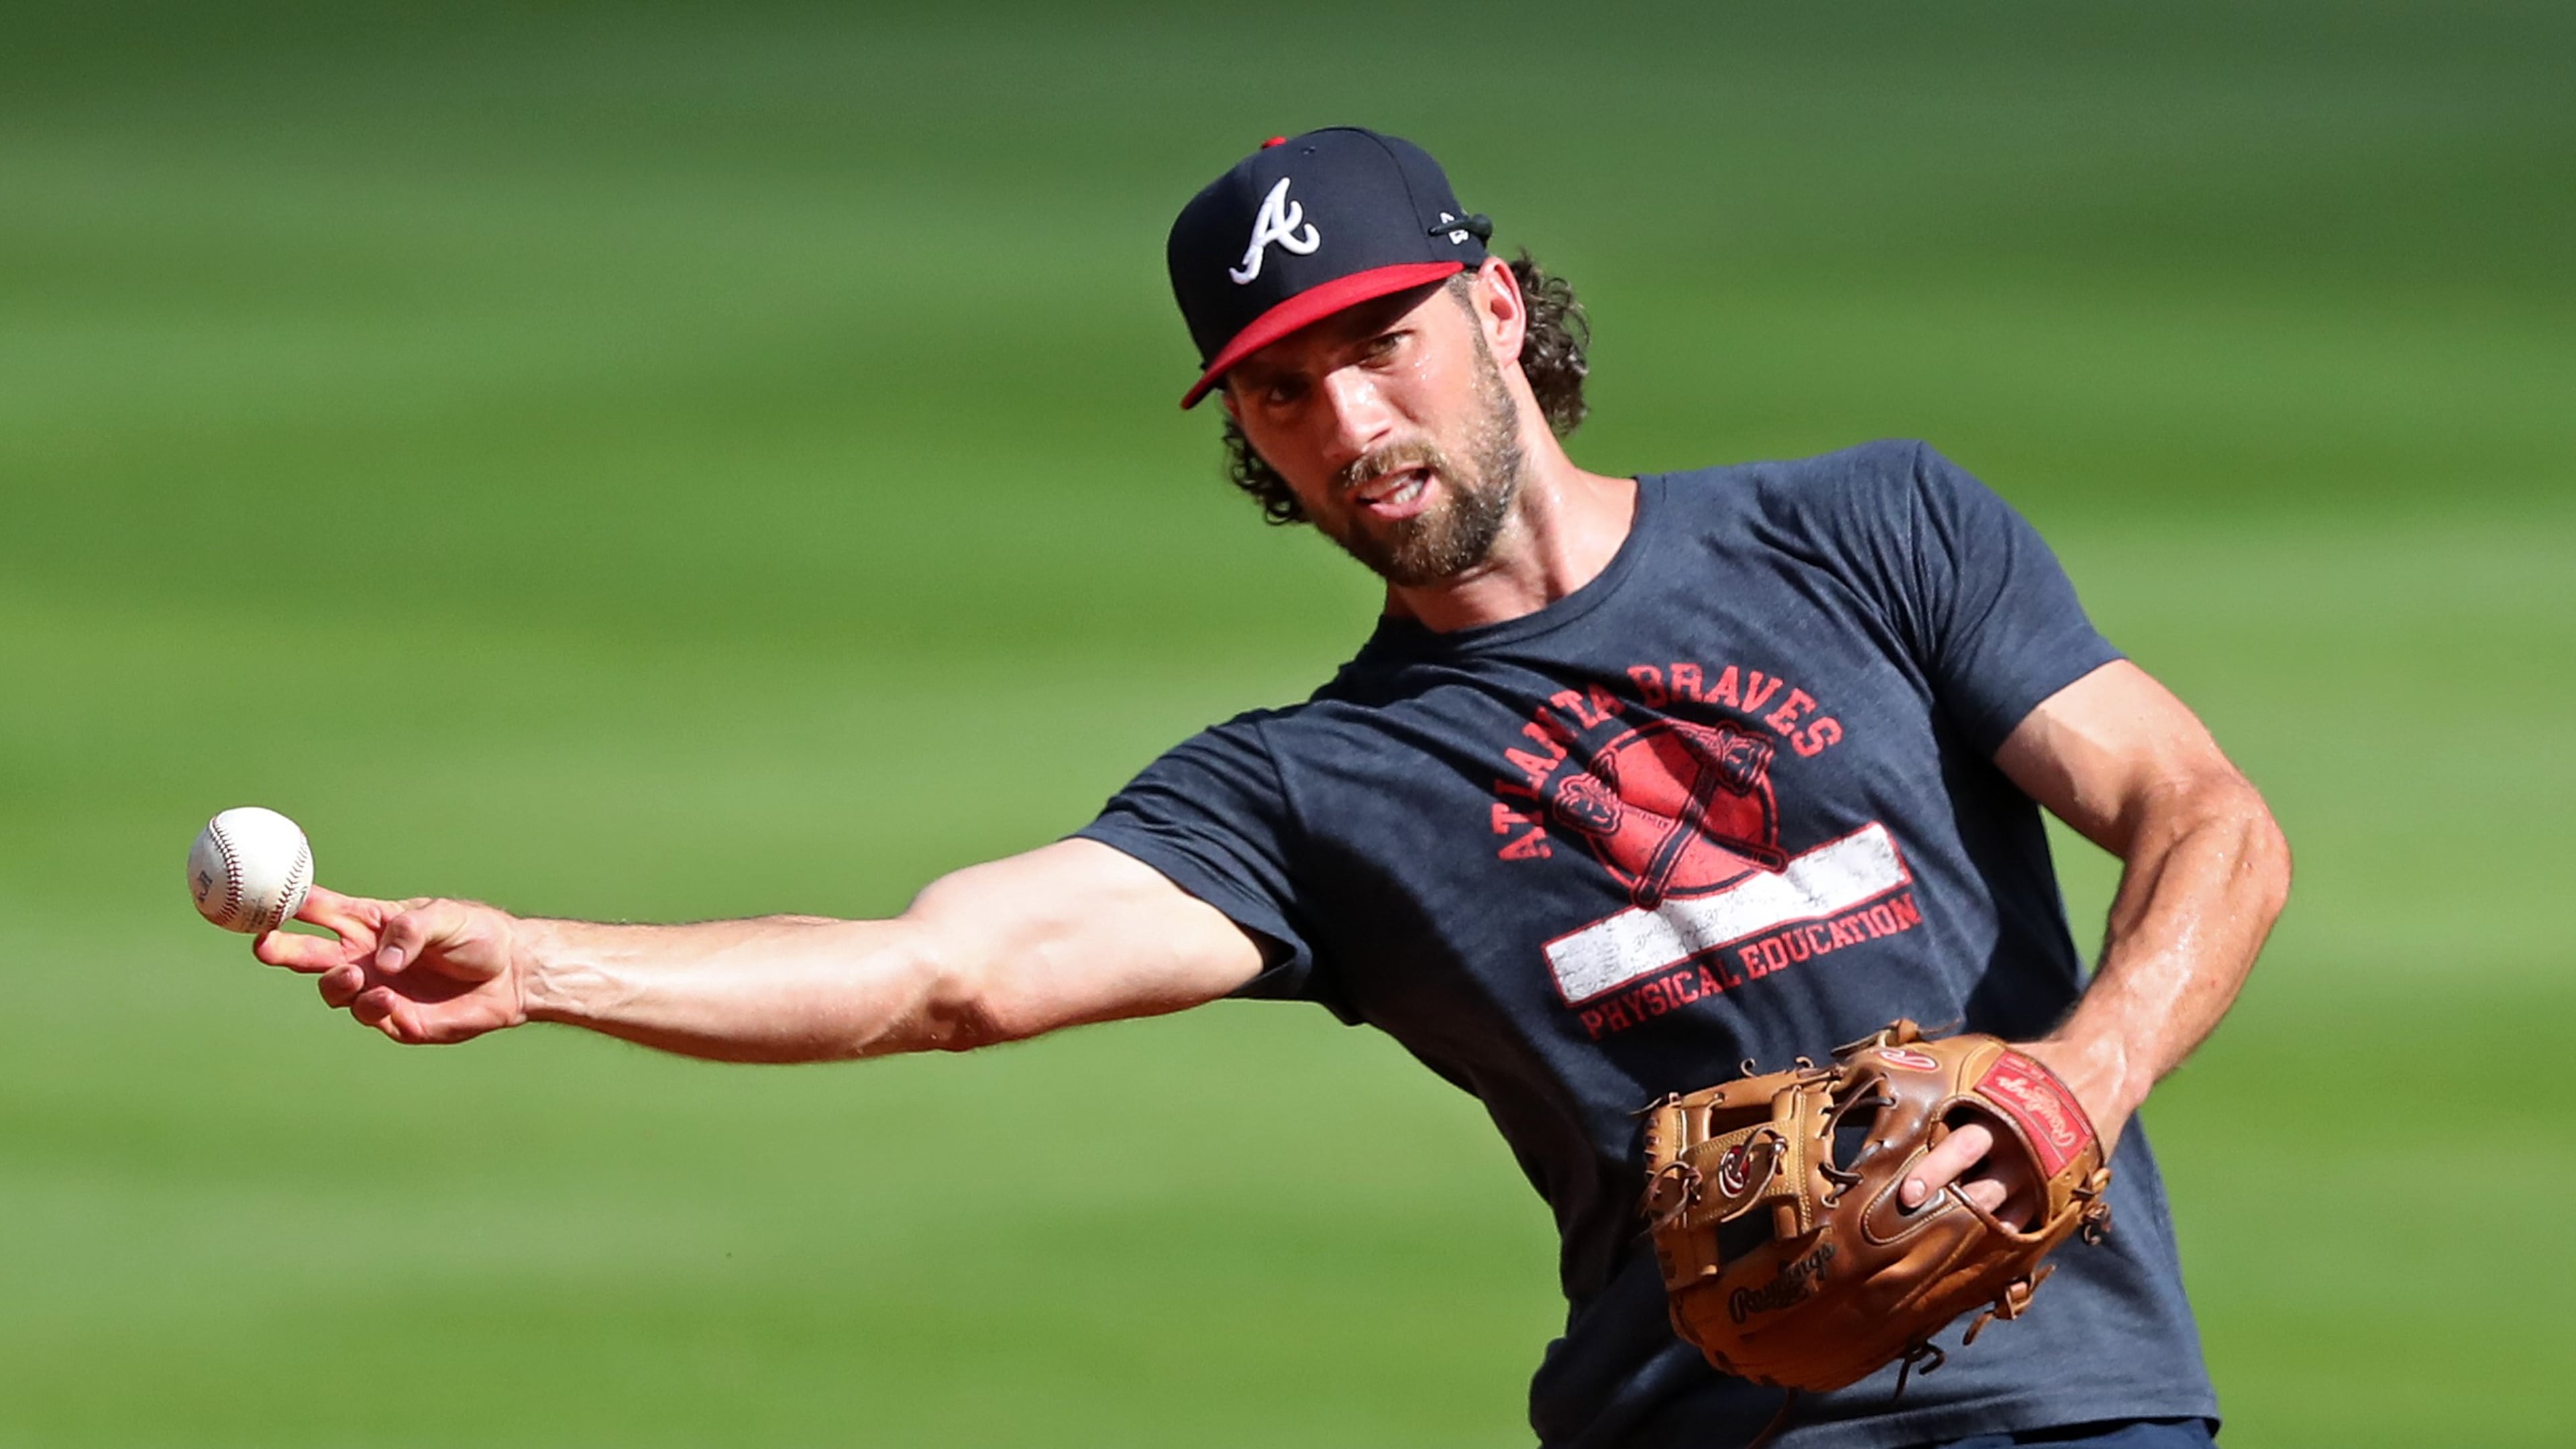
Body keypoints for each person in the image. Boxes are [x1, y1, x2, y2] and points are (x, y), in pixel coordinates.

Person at [255, 129, 2290, 1448]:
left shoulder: (1870, 531)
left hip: (2083, 1411)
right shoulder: (1314, 792)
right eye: (1282, 390)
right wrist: (546, 962)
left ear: (1495, 309)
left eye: (1382, 344)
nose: (1351, 422)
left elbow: (2209, 822)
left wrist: (2065, 1088)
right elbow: (944, 968)